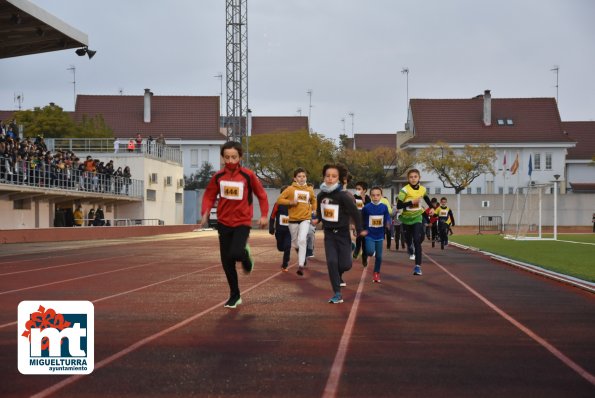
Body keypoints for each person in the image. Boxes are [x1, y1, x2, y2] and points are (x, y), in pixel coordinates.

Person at [199, 141, 269, 309]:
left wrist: (264, 215)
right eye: (227, 157)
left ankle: (245, 255)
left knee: (236, 253)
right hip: (223, 222)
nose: (230, 161)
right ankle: (235, 295)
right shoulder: (218, 177)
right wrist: (205, 212)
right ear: (222, 158)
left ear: (240, 157)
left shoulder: (248, 175)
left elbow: (262, 195)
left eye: (234, 157)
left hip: (242, 221)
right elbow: (209, 195)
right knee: (226, 261)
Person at [312, 164, 364, 304]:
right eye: (327, 176)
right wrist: (317, 219)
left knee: (346, 265)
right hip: (329, 234)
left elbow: (355, 213)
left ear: (339, 179)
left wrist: (360, 230)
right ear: (324, 177)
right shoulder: (321, 195)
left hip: (342, 234)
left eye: (333, 176)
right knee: (332, 262)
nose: (330, 179)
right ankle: (337, 293)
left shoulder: (343, 196)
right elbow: (320, 212)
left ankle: (350, 248)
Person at [276, 168, 317, 276]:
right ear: (295, 178)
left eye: (304, 176)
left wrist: (313, 209)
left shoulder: (309, 189)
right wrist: (290, 202)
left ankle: (301, 265)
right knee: (295, 243)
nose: (302, 178)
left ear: (306, 178)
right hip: (293, 220)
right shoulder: (290, 189)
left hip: (305, 219)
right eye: (299, 176)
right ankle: (301, 255)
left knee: (302, 240)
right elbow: (279, 200)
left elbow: (313, 200)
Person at [397, 169, 432, 276]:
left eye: (415, 176)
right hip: (406, 219)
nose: (413, 179)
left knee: (417, 240)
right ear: (408, 179)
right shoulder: (404, 190)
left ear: (419, 178)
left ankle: (418, 267)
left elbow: (426, 197)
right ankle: (409, 247)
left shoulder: (422, 189)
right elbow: (399, 205)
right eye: (411, 177)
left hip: (417, 217)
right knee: (408, 240)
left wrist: (432, 207)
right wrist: (411, 202)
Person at [362, 187, 392, 283]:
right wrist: (359, 229)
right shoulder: (366, 207)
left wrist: (388, 223)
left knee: (379, 257)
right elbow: (361, 219)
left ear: (381, 196)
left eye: (378, 195)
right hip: (369, 234)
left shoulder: (384, 207)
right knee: (370, 251)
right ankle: (366, 252)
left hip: (379, 235)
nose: (375, 197)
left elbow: (387, 217)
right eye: (373, 195)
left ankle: (376, 273)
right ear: (370, 196)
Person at [269, 186, 292, 272]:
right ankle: (282, 248)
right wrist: (271, 227)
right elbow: (272, 216)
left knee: (287, 247)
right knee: (280, 248)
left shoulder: (293, 204)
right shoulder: (278, 204)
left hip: (289, 230)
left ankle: (284, 265)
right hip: (279, 230)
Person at [352, 181, 371, 266]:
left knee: (365, 242)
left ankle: (364, 258)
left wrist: (364, 201)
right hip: (357, 221)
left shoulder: (367, 198)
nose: (357, 190)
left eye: (359, 189)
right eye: (356, 189)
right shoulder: (354, 197)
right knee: (359, 237)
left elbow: (369, 209)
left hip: (366, 222)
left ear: (364, 190)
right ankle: (357, 249)